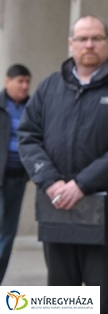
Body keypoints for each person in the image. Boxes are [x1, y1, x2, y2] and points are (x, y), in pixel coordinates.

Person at [18, 15, 108, 314]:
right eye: (82, 38)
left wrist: (81, 184)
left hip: (105, 213)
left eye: (96, 38)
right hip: (57, 208)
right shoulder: (49, 88)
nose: (89, 44)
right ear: (71, 43)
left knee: (101, 300)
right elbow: (28, 137)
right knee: (61, 300)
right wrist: (50, 181)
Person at [0, 64, 31, 283]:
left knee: (8, 232)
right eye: (20, 81)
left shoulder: (33, 107)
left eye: (27, 82)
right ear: (7, 81)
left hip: (17, 179)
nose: (24, 86)